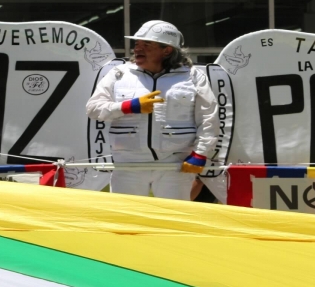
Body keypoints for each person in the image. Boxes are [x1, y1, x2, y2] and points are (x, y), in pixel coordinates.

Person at [87, 20, 218, 200]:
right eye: (137, 44)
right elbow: (93, 108)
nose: (138, 48)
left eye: (146, 44)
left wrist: (200, 154)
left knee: (173, 218)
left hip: (175, 164)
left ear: (167, 50)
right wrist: (128, 106)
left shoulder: (193, 76)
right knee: (126, 217)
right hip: (128, 164)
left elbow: (208, 118)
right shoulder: (119, 74)